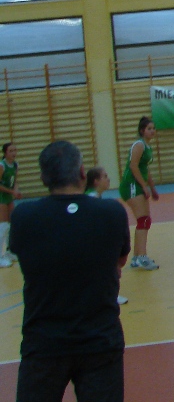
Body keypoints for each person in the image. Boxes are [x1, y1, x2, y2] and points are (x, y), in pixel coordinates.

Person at [10, 140, 131, 402]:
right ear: (82, 173)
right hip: (100, 341)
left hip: (44, 344)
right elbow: (120, 260)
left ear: (44, 178)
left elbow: (25, 257)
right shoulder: (112, 212)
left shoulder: (23, 217)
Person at [117, 116, 160, 270]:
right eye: (149, 129)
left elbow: (145, 169)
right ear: (142, 131)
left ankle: (137, 258)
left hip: (137, 185)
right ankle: (142, 257)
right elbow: (133, 166)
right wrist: (144, 186)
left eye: (153, 128)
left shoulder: (147, 147)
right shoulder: (139, 145)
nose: (152, 131)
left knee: (144, 220)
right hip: (131, 185)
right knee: (143, 220)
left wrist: (152, 188)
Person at [86, 168, 129, 305]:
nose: (108, 179)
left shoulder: (93, 197)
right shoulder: (92, 199)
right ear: (96, 181)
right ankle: (109, 296)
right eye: (105, 176)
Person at [0, 141, 22, 267]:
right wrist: (12, 191)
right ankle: (0, 256)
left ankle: (9, 252)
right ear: (5, 153)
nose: (14, 153)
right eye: (11, 151)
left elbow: (15, 181)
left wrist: (16, 190)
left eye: (15, 150)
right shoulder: (1, 166)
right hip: (1, 197)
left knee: (11, 224)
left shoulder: (15, 164)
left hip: (8, 196)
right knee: (3, 226)